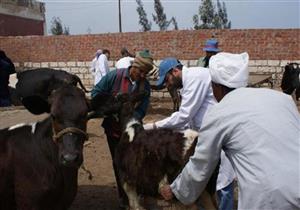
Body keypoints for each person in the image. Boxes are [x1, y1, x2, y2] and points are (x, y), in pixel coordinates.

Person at [159, 52, 300, 209]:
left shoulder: (218, 113)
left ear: (216, 86)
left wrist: (176, 190)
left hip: (270, 198)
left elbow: (200, 165)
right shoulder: (283, 99)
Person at [91, 49, 154, 209]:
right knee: (118, 163)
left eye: (145, 73)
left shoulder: (145, 86)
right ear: (134, 66)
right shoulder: (115, 76)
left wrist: (132, 119)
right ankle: (124, 198)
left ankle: (136, 194)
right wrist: (109, 108)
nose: (142, 76)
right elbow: (96, 93)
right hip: (113, 131)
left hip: (132, 132)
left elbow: (142, 109)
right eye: (141, 72)